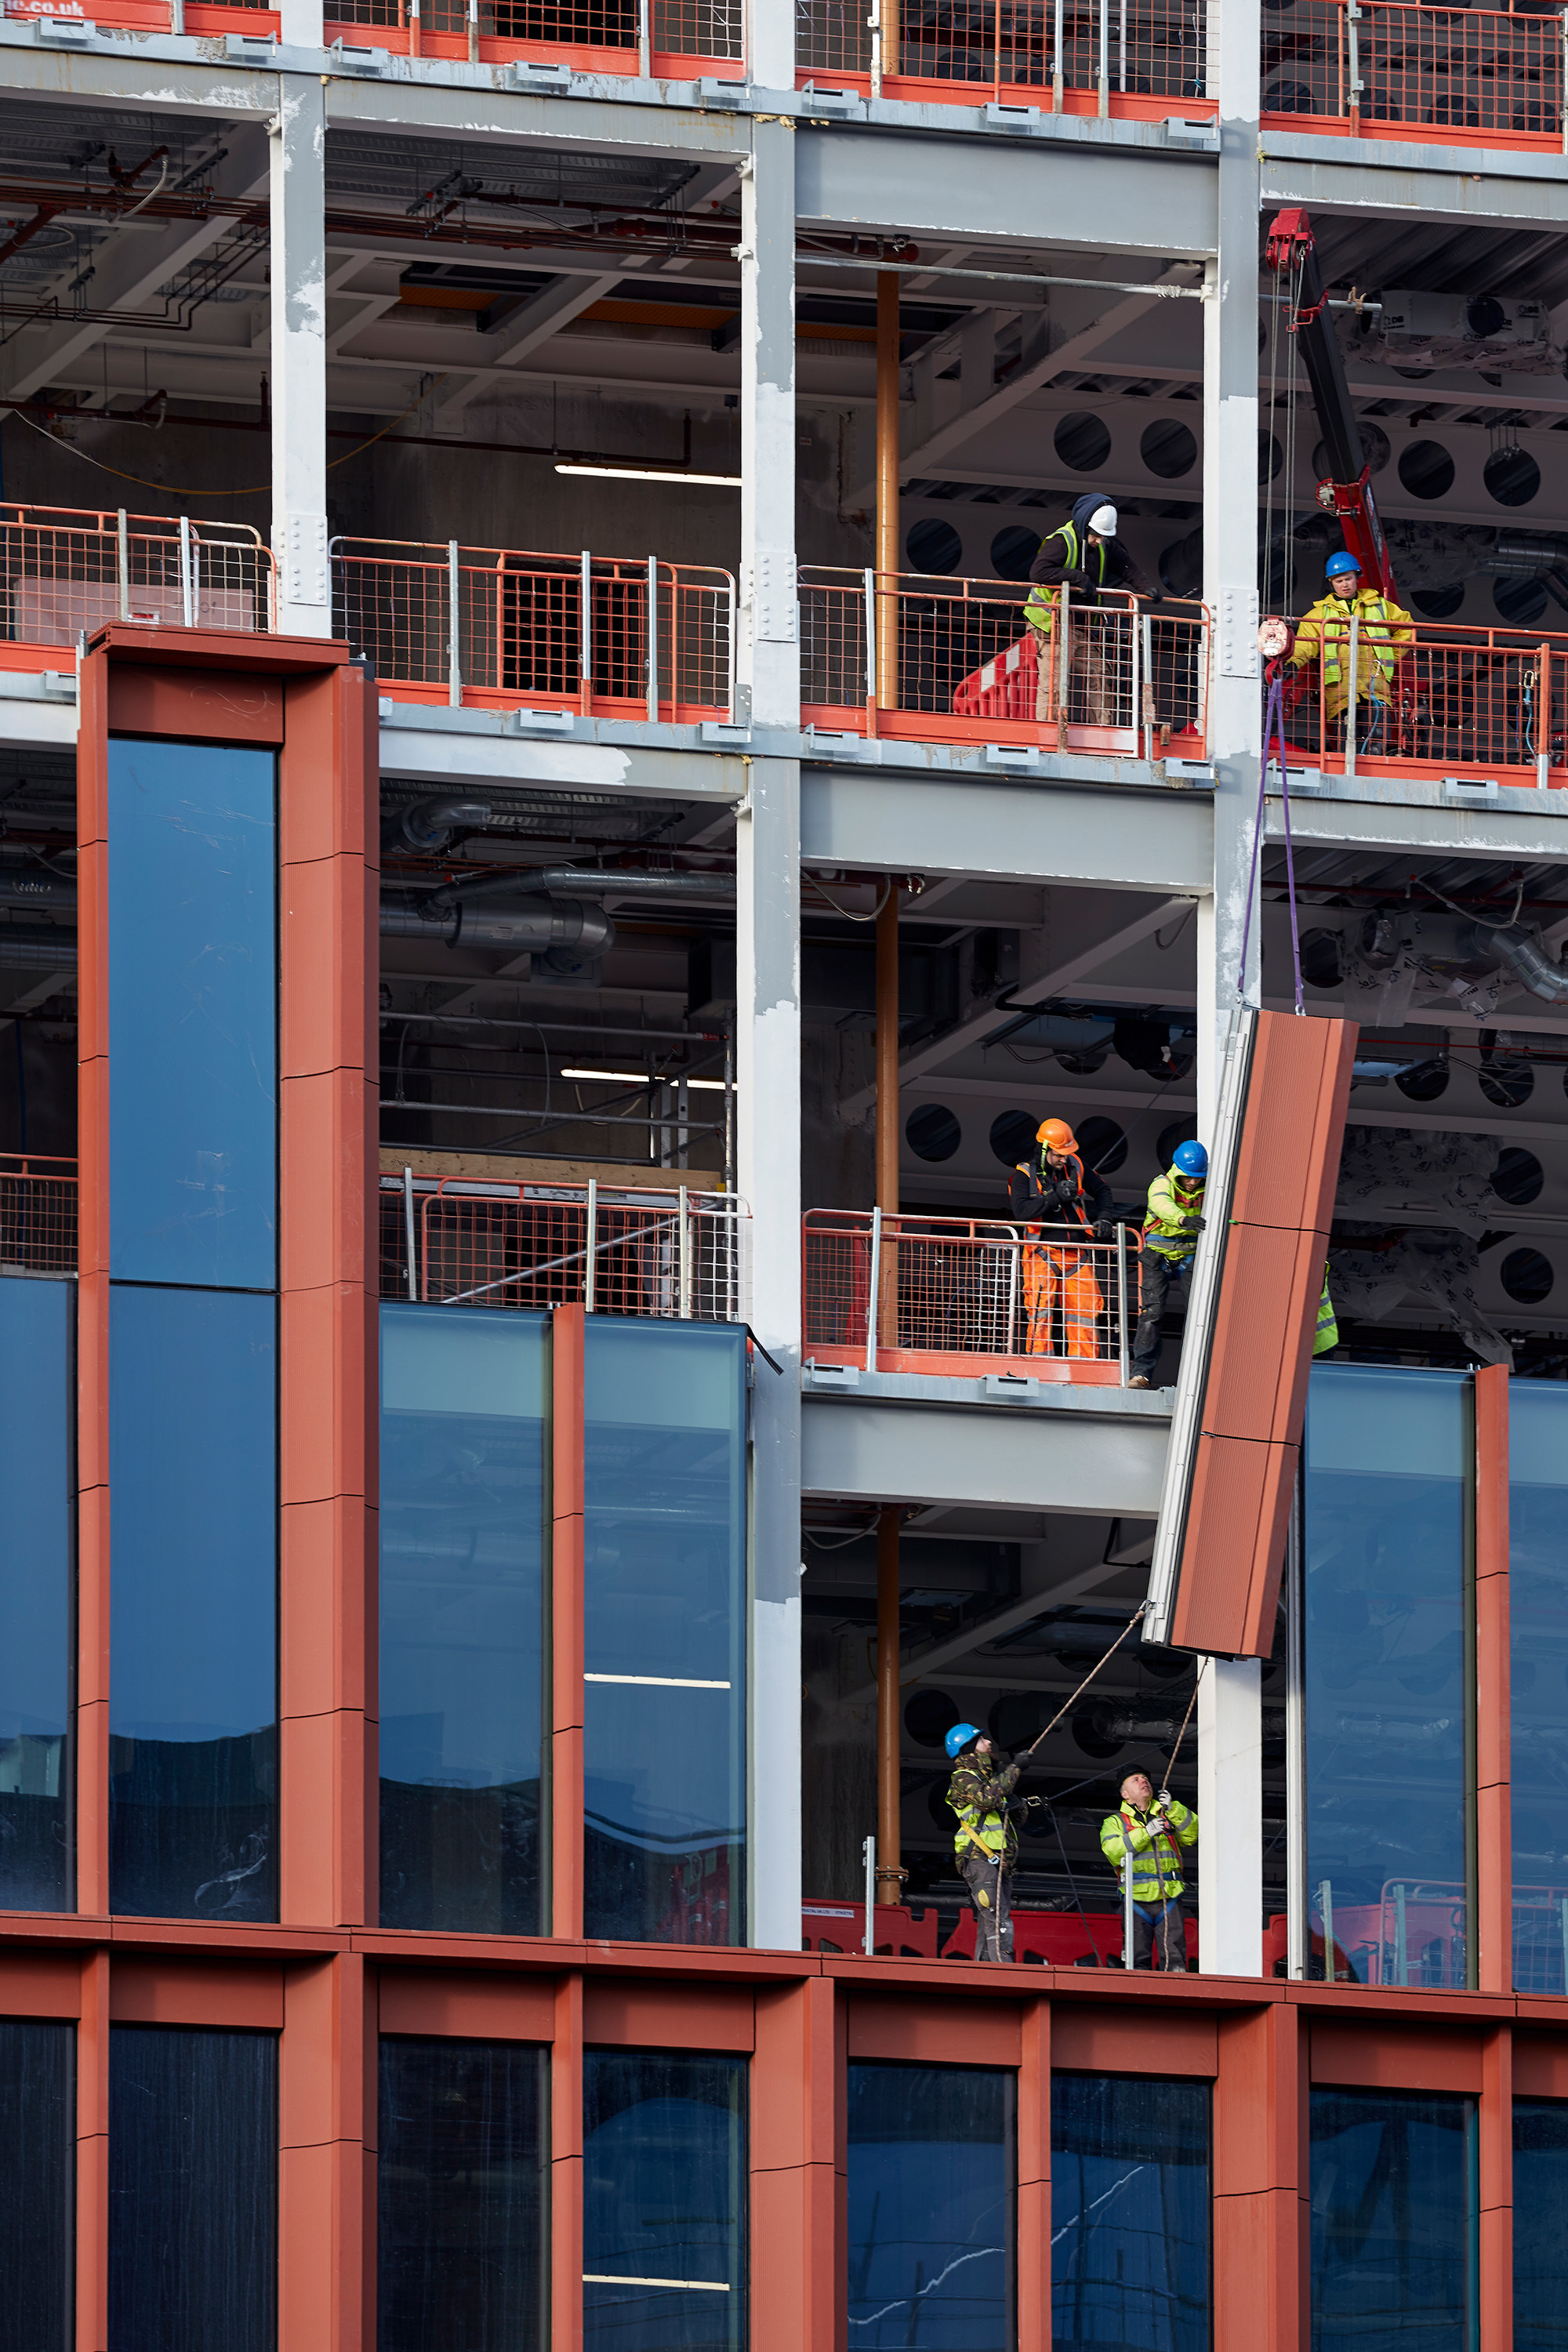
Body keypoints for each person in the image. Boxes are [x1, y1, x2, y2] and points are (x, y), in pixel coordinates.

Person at [1023, 495, 1160, 725]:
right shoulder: (1061, 541)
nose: (1099, 540)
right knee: (1054, 680)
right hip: (1050, 624)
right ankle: (1047, 731)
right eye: (1095, 535)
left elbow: (1125, 565)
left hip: (1078, 627)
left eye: (1103, 536)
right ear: (1084, 525)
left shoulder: (1103, 544)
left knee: (1099, 672)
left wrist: (1147, 588)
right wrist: (1077, 577)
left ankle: (1104, 729)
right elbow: (1038, 573)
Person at [1288, 550, 1414, 754]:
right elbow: (1305, 644)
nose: (1344, 584)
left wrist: (1390, 653)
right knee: (1346, 747)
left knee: (1375, 746)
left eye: (1348, 579)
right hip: (1340, 694)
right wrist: (1293, 662)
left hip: (1376, 690)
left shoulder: (1380, 606)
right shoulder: (1319, 614)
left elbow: (1407, 627)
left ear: (1357, 578)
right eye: (1339, 581)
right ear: (1331, 584)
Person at [1008, 1117, 1112, 1359]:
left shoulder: (1076, 1165)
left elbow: (1103, 1190)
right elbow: (1021, 1212)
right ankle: (1038, 1365)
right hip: (1042, 1253)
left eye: (1066, 1154)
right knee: (1039, 1312)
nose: (1064, 1158)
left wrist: (1105, 1217)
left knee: (1085, 1315)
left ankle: (1085, 1368)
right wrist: (1055, 1197)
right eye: (1059, 1154)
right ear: (1045, 1150)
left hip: (1077, 1252)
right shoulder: (1023, 1174)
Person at [944, 1722, 1036, 1962]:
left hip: (1000, 1861)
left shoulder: (995, 1780)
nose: (988, 1743)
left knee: (991, 1918)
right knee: (997, 1915)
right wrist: (1015, 1768)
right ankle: (1005, 1970)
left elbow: (1016, 1818)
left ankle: (985, 1969)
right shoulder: (962, 1778)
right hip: (979, 1857)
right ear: (969, 1749)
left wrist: (1018, 1805)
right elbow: (985, 1799)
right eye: (981, 1740)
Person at [1099, 1769, 1198, 1971]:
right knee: (1136, 1963)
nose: (1143, 1781)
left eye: (1145, 1778)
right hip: (1135, 1900)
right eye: (1136, 1780)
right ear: (1124, 1794)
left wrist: (1173, 1809)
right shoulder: (1114, 1823)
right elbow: (1113, 1852)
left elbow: (1193, 1835)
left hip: (1168, 1896)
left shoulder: (1168, 1814)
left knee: (1176, 1962)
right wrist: (1147, 1832)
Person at [1129, 1137, 1208, 1388]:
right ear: (1177, 1171)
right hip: (1157, 1257)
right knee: (1151, 1314)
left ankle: (1199, 1372)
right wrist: (1184, 1220)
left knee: (1201, 1313)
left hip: (1189, 1257)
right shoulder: (1162, 1184)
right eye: (1188, 1177)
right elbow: (1161, 1205)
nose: (1193, 1182)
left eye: (1197, 1177)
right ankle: (1140, 1374)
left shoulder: (1209, 1190)